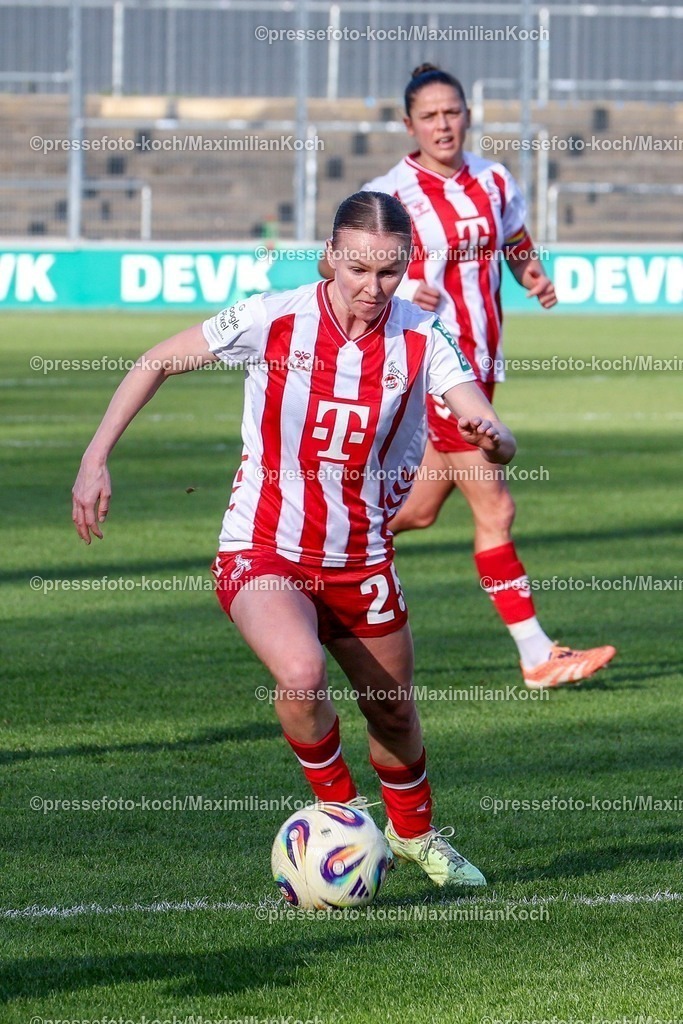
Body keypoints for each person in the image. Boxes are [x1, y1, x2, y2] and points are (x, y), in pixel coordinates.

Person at [72, 191, 516, 890]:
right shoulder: (270, 317)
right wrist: (95, 458)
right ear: (328, 260)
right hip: (263, 546)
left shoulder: (422, 337)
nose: (373, 289)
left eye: (390, 273)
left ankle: (415, 835)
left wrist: (494, 438)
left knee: (393, 712)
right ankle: (338, 816)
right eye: (359, 271)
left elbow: (484, 419)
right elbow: (154, 361)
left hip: (360, 555)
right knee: (301, 675)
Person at [343, 64, 615, 689]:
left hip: (484, 367)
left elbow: (515, 239)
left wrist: (533, 275)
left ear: (468, 115)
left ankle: (313, 553)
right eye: (430, 116)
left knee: (413, 512)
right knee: (497, 508)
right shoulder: (391, 196)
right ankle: (536, 654)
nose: (443, 124)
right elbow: (352, 273)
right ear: (408, 124)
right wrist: (406, 288)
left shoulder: (493, 180)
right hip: (440, 372)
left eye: (453, 112)